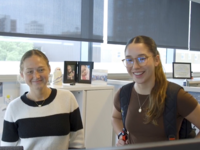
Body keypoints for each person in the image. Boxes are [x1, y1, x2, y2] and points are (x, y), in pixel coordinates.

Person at [111, 35, 200, 146]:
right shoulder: (123, 94)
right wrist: (121, 135)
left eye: (142, 59)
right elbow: (115, 118)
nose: (135, 66)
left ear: (156, 60)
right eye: (129, 60)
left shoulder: (176, 95)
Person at [1, 49, 84, 150]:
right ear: (22, 75)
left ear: (49, 69)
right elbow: (7, 147)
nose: (36, 76)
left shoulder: (67, 98)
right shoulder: (14, 108)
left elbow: (78, 143)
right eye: (30, 71)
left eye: (41, 69)